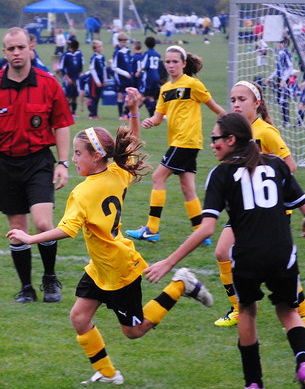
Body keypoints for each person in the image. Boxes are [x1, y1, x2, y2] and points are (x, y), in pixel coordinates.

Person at [6, 90, 214, 384]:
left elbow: (67, 230)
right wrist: (132, 112)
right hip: (101, 266)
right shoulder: (117, 172)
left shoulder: (84, 191)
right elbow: (132, 142)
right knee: (79, 317)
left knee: (134, 330)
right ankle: (108, 375)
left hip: (118, 269)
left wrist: (28, 239)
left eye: (78, 154)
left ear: (97, 155)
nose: (74, 159)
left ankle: (181, 284)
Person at [144, 112, 305, 389]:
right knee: (289, 312)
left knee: (248, 310)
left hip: (247, 256)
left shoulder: (222, 173)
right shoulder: (275, 165)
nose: (212, 145)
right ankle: (304, 363)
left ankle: (254, 384)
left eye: (216, 139)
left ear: (231, 139)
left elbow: (207, 229)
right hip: (281, 253)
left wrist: (169, 262)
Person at [0, 27, 74, 304]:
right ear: (4, 52)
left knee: (43, 224)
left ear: (31, 47)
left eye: (21, 47)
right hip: (5, 164)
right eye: (11, 49)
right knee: (17, 230)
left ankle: (50, 279)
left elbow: (62, 124)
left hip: (39, 160)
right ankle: (26, 287)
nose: (16, 53)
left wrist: (63, 163)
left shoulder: (48, 83)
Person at [211, 80, 305, 329]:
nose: (236, 104)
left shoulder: (265, 131)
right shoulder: (236, 133)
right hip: (244, 207)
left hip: (268, 209)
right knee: (221, 252)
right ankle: (237, 307)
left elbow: (289, 166)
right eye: (233, 99)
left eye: (242, 99)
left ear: (257, 103)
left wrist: (269, 192)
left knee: (276, 263)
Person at [125, 45, 226, 244]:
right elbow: (157, 117)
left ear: (184, 64)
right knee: (188, 187)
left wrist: (235, 121)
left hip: (186, 141)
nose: (171, 65)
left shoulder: (193, 84)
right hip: (181, 142)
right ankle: (201, 232)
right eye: (168, 62)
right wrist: (149, 122)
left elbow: (214, 106)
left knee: (157, 177)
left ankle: (151, 229)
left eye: (175, 62)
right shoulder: (165, 89)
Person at [136, 36, 166, 116]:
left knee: (142, 96)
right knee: (151, 97)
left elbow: (144, 65)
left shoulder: (147, 53)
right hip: (156, 76)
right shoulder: (157, 54)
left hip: (149, 77)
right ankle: (153, 115)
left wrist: (138, 72)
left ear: (146, 44)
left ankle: (131, 113)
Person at [59, 38, 84, 116]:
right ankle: (67, 112)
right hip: (68, 78)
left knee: (75, 96)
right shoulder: (66, 55)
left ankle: (73, 112)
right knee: (68, 96)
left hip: (76, 78)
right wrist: (67, 78)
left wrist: (80, 76)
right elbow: (62, 68)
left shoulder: (79, 54)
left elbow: (81, 66)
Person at [84, 39, 107, 120]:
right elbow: (92, 69)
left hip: (101, 79)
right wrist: (97, 81)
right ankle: (92, 114)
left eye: (101, 46)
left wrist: (105, 79)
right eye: (99, 47)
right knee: (94, 97)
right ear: (95, 48)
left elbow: (104, 68)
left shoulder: (102, 57)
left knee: (97, 97)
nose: (101, 48)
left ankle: (94, 113)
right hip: (94, 80)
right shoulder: (94, 57)